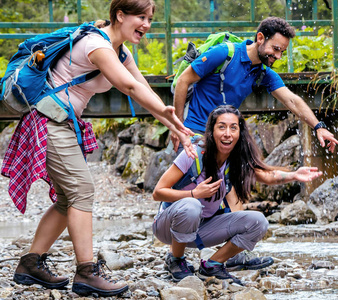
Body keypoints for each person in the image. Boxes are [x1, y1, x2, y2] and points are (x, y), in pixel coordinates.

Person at [1, 0, 195, 297]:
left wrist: (176, 127)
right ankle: (87, 272)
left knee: (70, 197)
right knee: (82, 190)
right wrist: (173, 122)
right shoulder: (95, 44)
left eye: (150, 18)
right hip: (47, 120)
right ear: (120, 15)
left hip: (62, 121)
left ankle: (30, 264)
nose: (146, 24)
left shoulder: (121, 51)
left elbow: (140, 85)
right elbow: (128, 88)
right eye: (140, 17)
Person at [152, 105, 323, 284]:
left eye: (233, 128)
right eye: (222, 127)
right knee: (192, 205)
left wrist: (294, 175)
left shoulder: (235, 159)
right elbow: (158, 193)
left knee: (258, 222)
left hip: (203, 229)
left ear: (240, 133)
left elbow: (266, 176)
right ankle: (176, 260)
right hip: (168, 227)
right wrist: (194, 193)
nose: (228, 133)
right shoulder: (193, 154)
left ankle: (213, 264)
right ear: (211, 131)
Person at [170, 16, 338, 154]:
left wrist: (318, 127)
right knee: (189, 192)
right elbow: (183, 81)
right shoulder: (224, 53)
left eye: (282, 52)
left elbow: (292, 101)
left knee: (221, 194)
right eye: (275, 49)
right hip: (194, 133)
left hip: (223, 138)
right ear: (260, 38)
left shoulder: (264, 73)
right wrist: (179, 127)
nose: (279, 56)